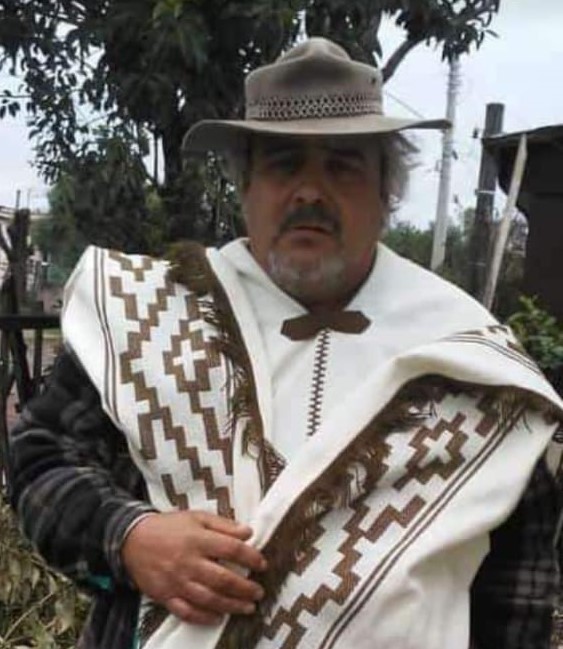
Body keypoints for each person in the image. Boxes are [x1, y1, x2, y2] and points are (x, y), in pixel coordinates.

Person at [9, 37, 563, 649]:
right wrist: (130, 538)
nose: (309, 192)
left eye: (343, 166)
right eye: (283, 164)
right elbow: (41, 461)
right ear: (245, 187)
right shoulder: (149, 315)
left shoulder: (470, 360)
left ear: (386, 193)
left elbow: (515, 595)